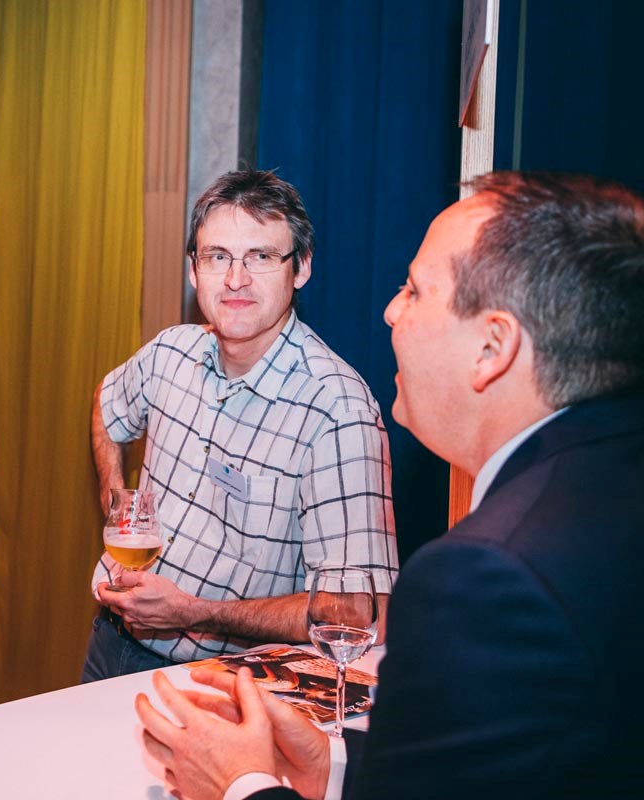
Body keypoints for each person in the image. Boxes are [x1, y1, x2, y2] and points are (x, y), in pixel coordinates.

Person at [135, 171, 644, 799]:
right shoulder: (608, 488)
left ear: (493, 347)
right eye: (217, 257)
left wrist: (241, 784)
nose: (390, 311)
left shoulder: (489, 577)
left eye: (414, 290)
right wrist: (335, 767)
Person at [83, 170, 398, 682]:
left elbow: (355, 613)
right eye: (217, 257)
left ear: (301, 268)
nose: (235, 279)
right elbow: (106, 401)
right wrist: (117, 501)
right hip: (110, 643)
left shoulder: (336, 410)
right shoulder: (170, 353)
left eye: (260, 256)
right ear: (193, 269)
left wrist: (194, 613)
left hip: (230, 680)